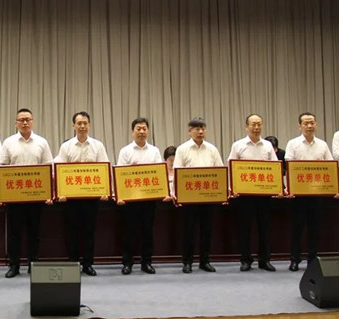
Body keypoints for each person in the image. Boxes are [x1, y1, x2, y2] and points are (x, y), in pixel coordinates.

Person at [0, 108, 54, 278]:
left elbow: (48, 168)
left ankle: (33, 264)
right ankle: (14, 265)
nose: (24, 123)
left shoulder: (42, 142)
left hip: (36, 197)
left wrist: (48, 193)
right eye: (21, 120)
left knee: (34, 232)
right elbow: (2, 167)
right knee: (14, 233)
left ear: (32, 122)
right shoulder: (8, 142)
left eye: (28, 119)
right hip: (15, 198)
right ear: (16, 123)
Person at [55, 111, 110, 276]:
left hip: (91, 198)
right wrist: (60, 192)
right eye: (79, 123)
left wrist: (105, 191)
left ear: (89, 125)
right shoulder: (66, 146)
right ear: (73, 126)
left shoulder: (98, 146)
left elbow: (104, 168)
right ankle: (73, 263)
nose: (82, 126)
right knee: (71, 231)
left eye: (85, 123)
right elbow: (59, 171)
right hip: (71, 198)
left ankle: (88, 264)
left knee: (89, 231)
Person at [227, 114, 278, 272]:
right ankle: (245, 260)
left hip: (264, 195)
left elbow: (275, 167)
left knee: (265, 228)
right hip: (244, 195)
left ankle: (264, 260)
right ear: (246, 127)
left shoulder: (268, 145)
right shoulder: (238, 145)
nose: (256, 127)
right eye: (253, 124)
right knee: (245, 228)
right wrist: (232, 188)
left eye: (259, 124)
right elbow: (231, 167)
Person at [284, 112, 334, 271]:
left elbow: (330, 166)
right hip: (298, 195)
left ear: (316, 124)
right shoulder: (293, 144)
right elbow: (289, 167)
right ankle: (294, 260)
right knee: (297, 228)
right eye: (306, 123)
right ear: (300, 126)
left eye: (312, 123)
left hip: (317, 194)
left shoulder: (323, 145)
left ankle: (312, 260)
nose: (309, 126)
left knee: (315, 229)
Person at [116, 118, 166, 275]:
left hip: (149, 199)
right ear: (132, 132)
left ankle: (147, 262)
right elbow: (120, 175)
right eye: (138, 129)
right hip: (131, 200)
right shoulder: (125, 151)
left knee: (148, 231)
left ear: (148, 131)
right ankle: (127, 263)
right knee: (129, 231)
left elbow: (159, 174)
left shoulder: (154, 151)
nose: (142, 132)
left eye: (144, 129)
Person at [174, 117, 224, 273]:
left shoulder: (212, 149)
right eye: (197, 129)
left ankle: (205, 261)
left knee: (206, 231)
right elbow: (177, 173)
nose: (200, 131)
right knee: (188, 231)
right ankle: (187, 262)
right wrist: (177, 195)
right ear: (190, 131)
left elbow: (220, 171)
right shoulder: (182, 149)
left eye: (203, 128)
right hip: (189, 199)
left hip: (208, 197)